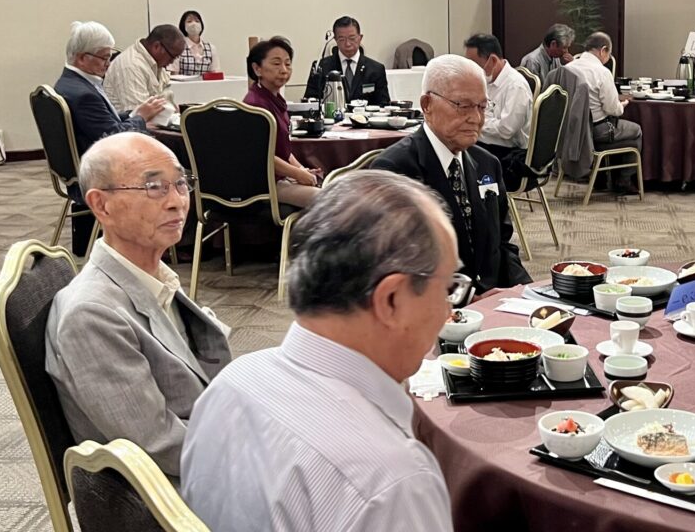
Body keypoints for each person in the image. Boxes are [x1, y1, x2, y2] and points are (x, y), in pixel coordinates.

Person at [182, 170, 457, 532]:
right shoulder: (391, 482)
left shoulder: (231, 382)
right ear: (391, 299)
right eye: (447, 288)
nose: (449, 312)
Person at [45, 132, 232, 477]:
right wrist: (257, 453)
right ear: (101, 205)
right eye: (154, 187)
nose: (177, 202)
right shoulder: (92, 314)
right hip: (181, 487)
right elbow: (158, 445)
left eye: (181, 184)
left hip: (210, 433)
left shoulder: (149, 275)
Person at [371, 54, 532, 296]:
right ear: (427, 104)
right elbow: (395, 268)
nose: (476, 118)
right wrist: (467, 300)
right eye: (463, 106)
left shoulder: (487, 164)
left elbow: (502, 245)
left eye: (482, 107)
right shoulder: (395, 170)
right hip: (435, 306)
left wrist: (526, 293)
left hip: (491, 300)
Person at [54, 20, 166, 256]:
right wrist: (141, 119)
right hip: (99, 173)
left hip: (77, 168)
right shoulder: (84, 94)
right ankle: (166, 241)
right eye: (104, 58)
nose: (108, 63)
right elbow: (113, 138)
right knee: (171, 171)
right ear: (82, 58)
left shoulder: (69, 83)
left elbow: (104, 122)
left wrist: (134, 114)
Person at [244, 37, 321, 208]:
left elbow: (283, 151)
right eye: (276, 64)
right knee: (328, 200)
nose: (284, 70)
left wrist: (301, 170)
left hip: (280, 178)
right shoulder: (256, 104)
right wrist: (298, 174)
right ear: (257, 69)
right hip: (264, 184)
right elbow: (262, 156)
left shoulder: (275, 99)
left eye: (288, 64)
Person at [569, 31, 642, 190]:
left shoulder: (568, 68)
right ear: (603, 50)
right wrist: (621, 105)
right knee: (635, 131)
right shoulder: (601, 72)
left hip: (572, 131)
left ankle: (600, 179)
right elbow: (612, 109)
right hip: (597, 131)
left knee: (618, 130)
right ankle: (624, 180)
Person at [464, 33, 533, 189]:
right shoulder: (487, 81)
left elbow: (506, 130)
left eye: (475, 66)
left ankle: (480, 201)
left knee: (458, 158)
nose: (471, 71)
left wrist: (476, 122)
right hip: (488, 144)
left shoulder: (515, 86)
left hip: (509, 155)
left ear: (493, 60)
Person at [303, 16, 390, 105]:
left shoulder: (376, 69)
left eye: (352, 38)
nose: (347, 44)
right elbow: (311, 101)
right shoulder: (322, 67)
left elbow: (383, 104)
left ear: (360, 38)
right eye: (342, 39)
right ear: (335, 40)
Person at [104, 24, 185, 113]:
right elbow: (138, 114)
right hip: (128, 120)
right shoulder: (131, 66)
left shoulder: (156, 62)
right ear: (157, 46)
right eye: (172, 56)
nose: (172, 62)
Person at [169, 10, 221, 76]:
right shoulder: (177, 48)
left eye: (197, 21)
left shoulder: (211, 48)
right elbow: (174, 74)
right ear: (183, 26)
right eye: (189, 21)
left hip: (206, 82)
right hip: (183, 82)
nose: (194, 24)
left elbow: (215, 73)